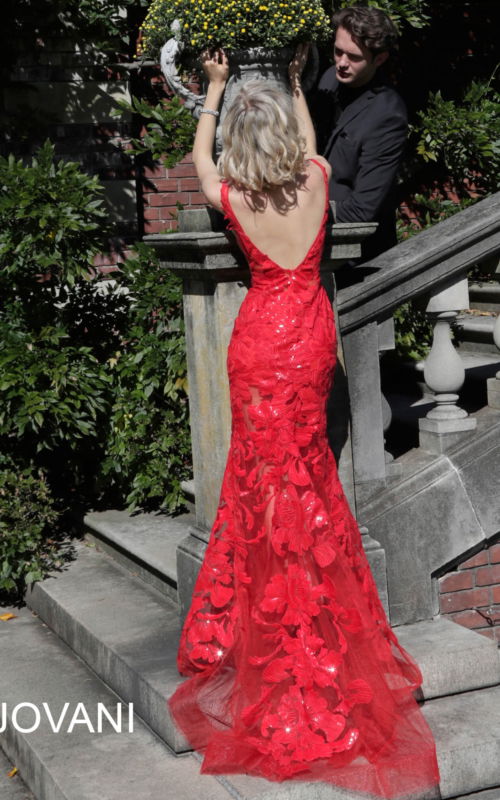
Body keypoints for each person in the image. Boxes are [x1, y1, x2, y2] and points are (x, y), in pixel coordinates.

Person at [168, 47, 440, 798]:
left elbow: (198, 152)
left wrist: (217, 89)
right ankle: (316, 618)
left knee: (262, 480)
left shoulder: (235, 198)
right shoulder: (316, 181)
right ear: (286, 138)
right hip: (310, 336)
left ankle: (268, 622)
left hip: (259, 342)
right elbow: (314, 147)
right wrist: (293, 86)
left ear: (241, 147)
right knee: (309, 475)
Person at [314, 5, 408, 263]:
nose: (342, 63)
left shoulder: (388, 115)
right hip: (315, 247)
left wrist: (302, 220)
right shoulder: (328, 81)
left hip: (356, 261)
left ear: (379, 59)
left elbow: (360, 211)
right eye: (338, 51)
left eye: (354, 57)